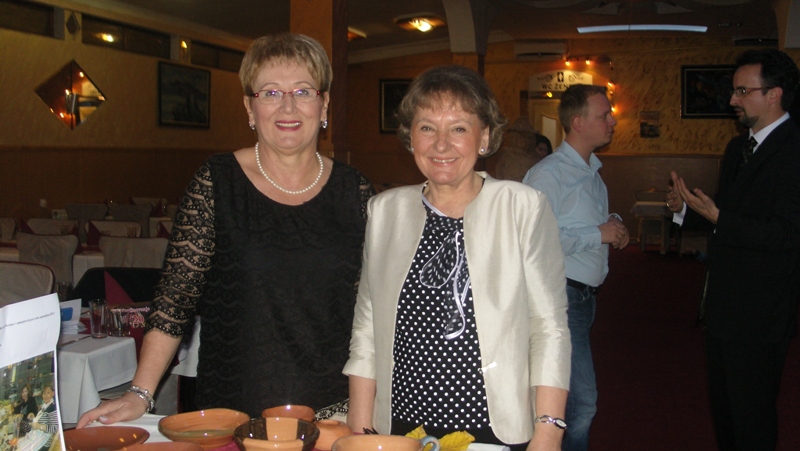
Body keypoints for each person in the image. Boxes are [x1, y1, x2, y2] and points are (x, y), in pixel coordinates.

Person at [77, 33, 374, 426]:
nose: (287, 106)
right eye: (270, 92)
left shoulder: (355, 191)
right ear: (250, 107)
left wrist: (363, 415)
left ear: (324, 104)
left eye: (303, 91)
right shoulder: (216, 181)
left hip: (333, 415)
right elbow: (175, 301)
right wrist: (140, 393)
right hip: (233, 414)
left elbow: (371, 314)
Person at [345, 65, 570, 451]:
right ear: (410, 137)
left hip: (492, 428)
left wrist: (549, 432)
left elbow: (549, 328)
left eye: (459, 128)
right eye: (427, 127)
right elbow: (366, 328)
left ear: (485, 137)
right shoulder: (384, 211)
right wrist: (361, 428)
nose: (441, 144)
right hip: (399, 425)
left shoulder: (522, 207)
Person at [666, 49, 800, 450]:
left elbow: (787, 233)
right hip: (724, 306)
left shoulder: (794, 149)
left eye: (743, 91)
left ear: (774, 94)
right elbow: (722, 214)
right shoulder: (738, 147)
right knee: (725, 411)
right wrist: (685, 210)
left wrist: (719, 216)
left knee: (752, 414)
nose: (732, 99)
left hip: (762, 309)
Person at [522, 84, 629, 451]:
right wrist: (598, 234)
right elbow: (533, 239)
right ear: (578, 122)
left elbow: (579, 224)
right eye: (605, 115)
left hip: (583, 297)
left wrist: (611, 225)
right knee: (581, 403)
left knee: (569, 399)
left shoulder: (590, 170)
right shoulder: (549, 174)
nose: (612, 121)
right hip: (560, 296)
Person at [29, 384, 57, 451]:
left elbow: (55, 428)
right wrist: (33, 417)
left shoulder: (53, 408)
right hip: (37, 439)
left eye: (48, 393)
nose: (45, 396)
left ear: (53, 393)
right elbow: (42, 421)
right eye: (44, 393)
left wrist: (39, 426)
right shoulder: (44, 406)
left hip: (43, 444)